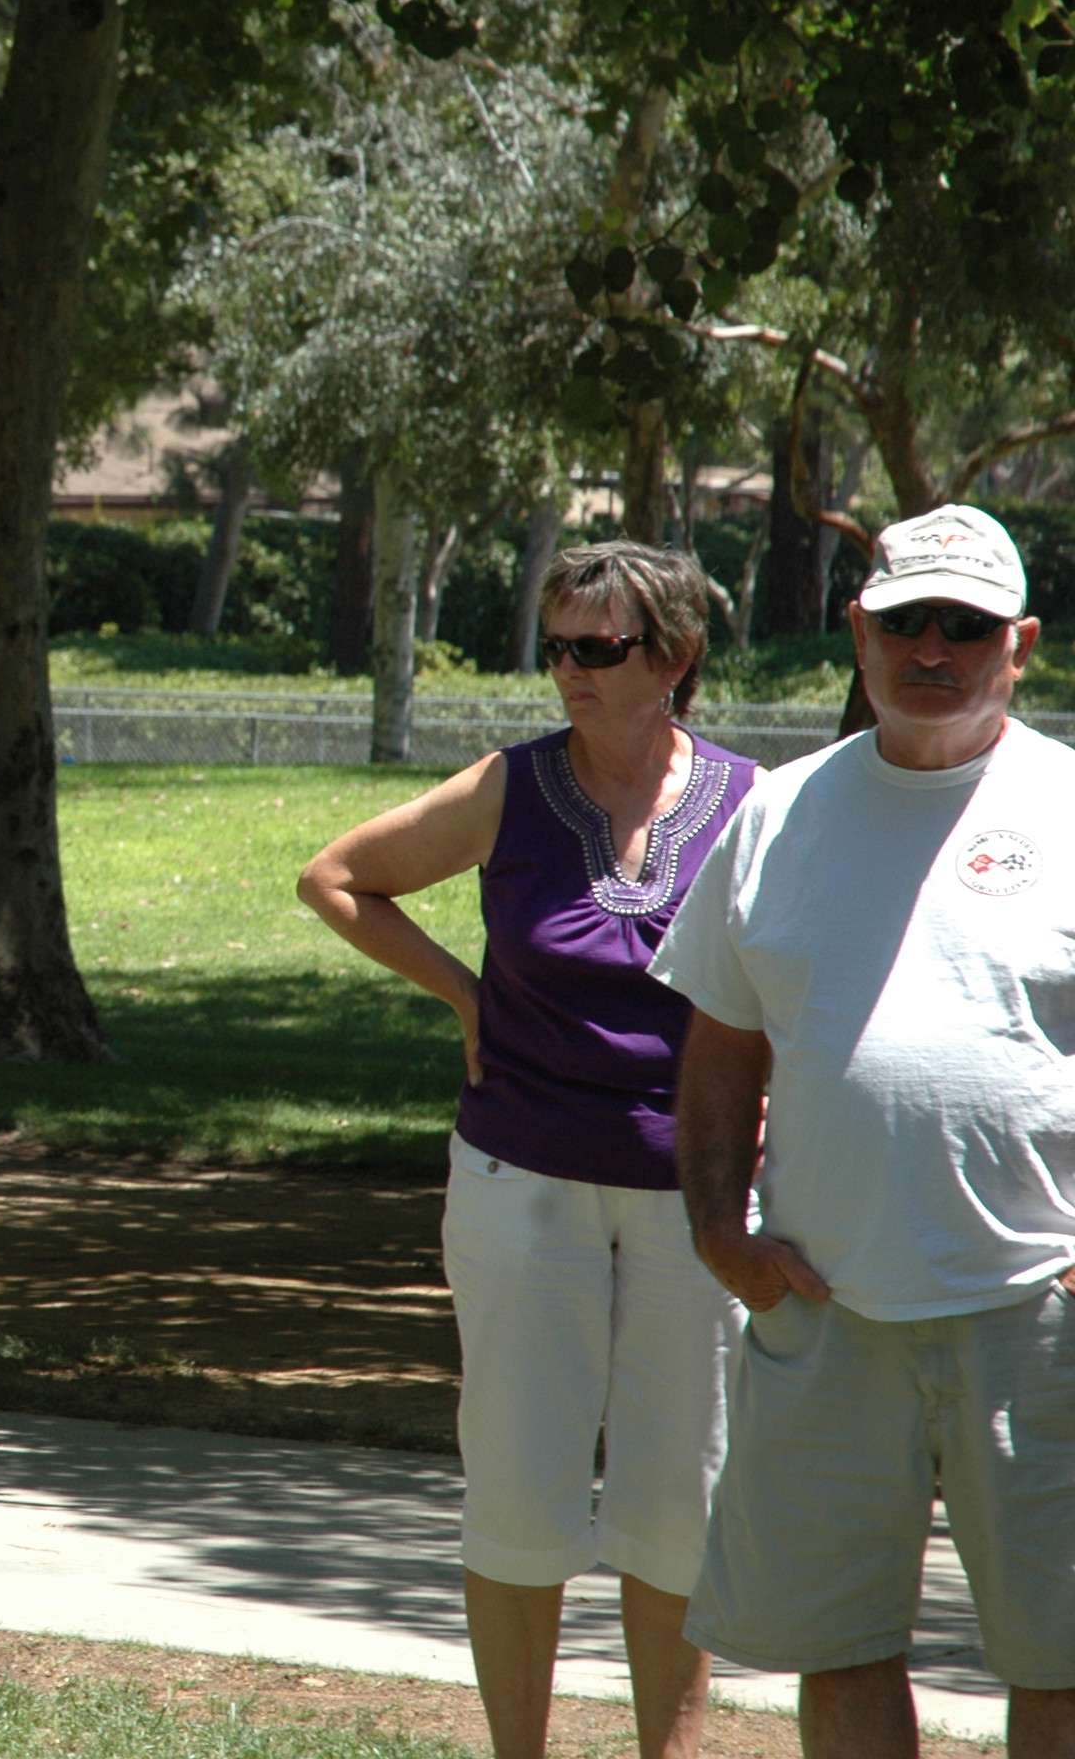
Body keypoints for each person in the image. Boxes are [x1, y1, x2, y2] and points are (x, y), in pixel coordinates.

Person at [300, 540, 756, 1759]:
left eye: (598, 648)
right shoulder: (509, 787)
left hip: (692, 1200)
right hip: (519, 1186)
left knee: (677, 1504)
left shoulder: (754, 805)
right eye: (554, 645)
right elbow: (336, 877)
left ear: (675, 656)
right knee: (516, 1492)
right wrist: (464, 996)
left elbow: (803, 981)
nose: (568, 671)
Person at [651, 504, 1075, 1759]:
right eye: (904, 620)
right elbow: (720, 1045)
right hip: (822, 1309)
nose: (930, 645)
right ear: (858, 631)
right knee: (835, 1651)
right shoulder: (775, 815)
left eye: (964, 623)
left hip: (1035, 1310)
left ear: (1020, 643)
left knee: (1058, 1659)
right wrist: (722, 1241)